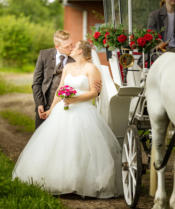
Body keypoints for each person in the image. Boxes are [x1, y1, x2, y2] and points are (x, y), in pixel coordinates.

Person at [12, 41, 123, 198]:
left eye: (74, 47)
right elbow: (60, 89)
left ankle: (80, 184)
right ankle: (59, 182)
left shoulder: (91, 69)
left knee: (80, 147)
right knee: (59, 145)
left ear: (81, 52)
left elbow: (94, 92)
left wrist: (75, 98)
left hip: (83, 111)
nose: (71, 49)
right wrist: (51, 109)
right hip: (62, 111)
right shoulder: (69, 67)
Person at [32, 30, 75, 129]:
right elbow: (36, 83)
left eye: (71, 44)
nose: (71, 48)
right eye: (67, 47)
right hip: (43, 106)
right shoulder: (44, 55)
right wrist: (39, 104)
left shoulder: (74, 60)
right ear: (57, 47)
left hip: (63, 108)